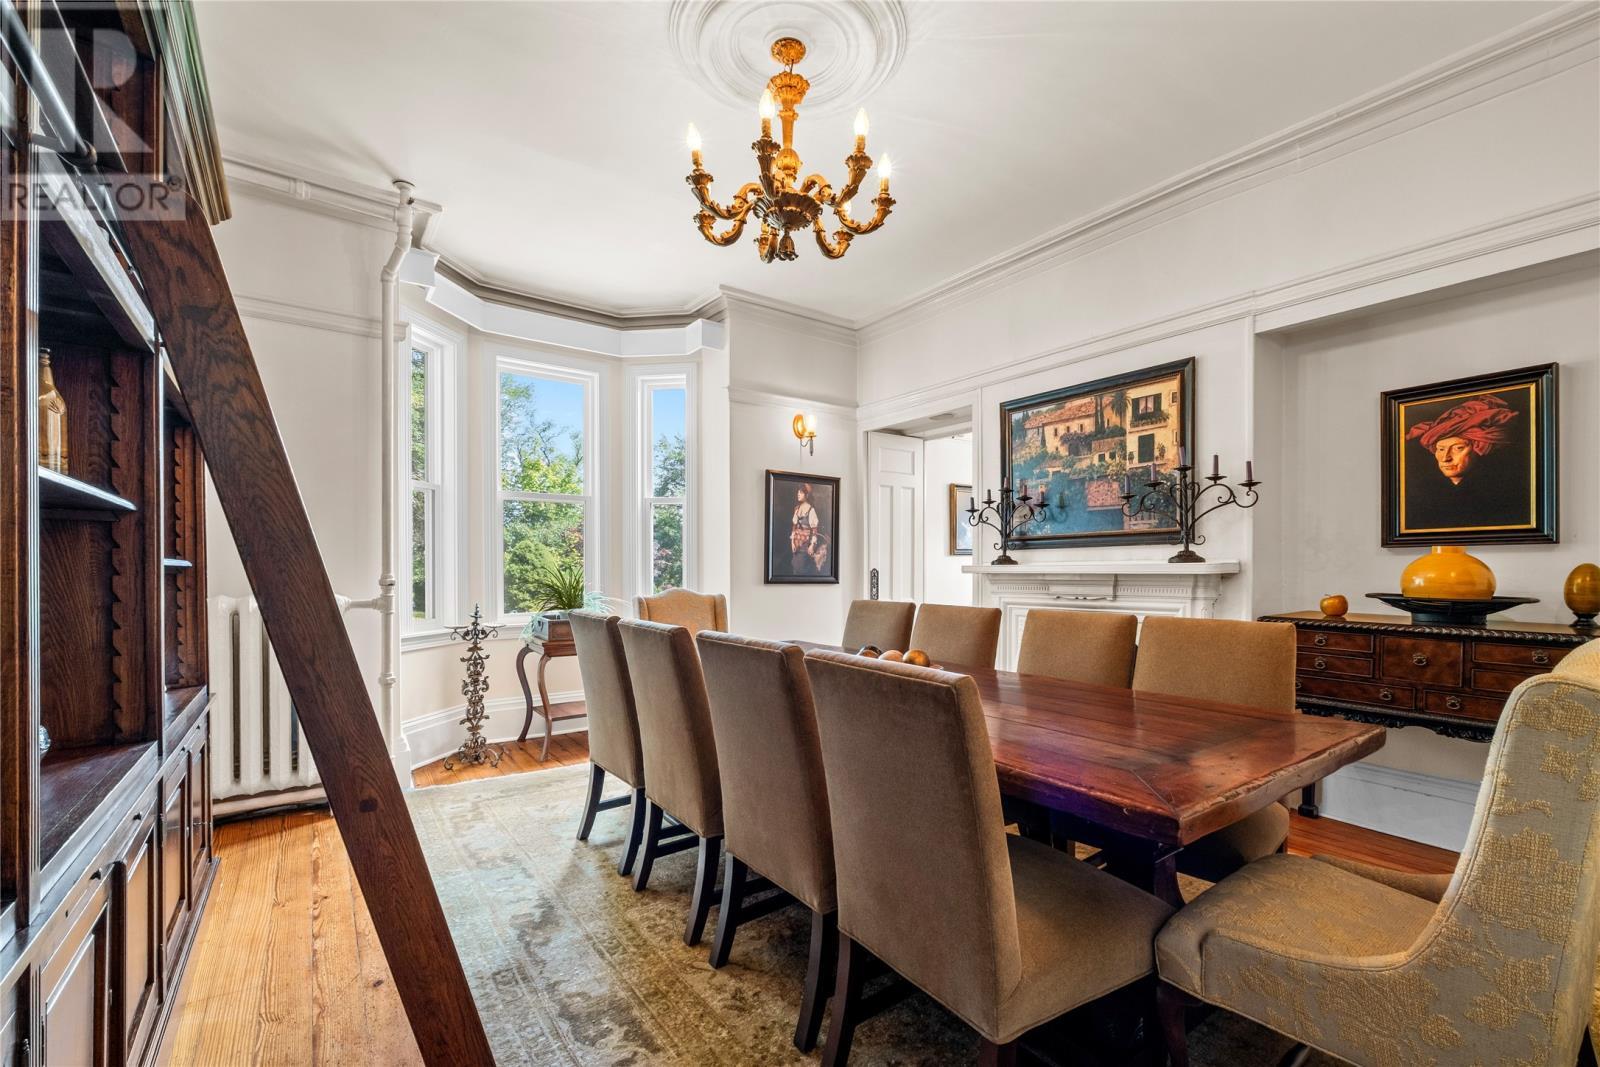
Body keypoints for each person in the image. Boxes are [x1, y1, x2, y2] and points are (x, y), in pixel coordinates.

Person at [1403, 392, 1528, 532]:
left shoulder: (1502, 495)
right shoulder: (1421, 496)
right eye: (1441, 449)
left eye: (1458, 448)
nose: (1445, 458)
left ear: (1478, 447)